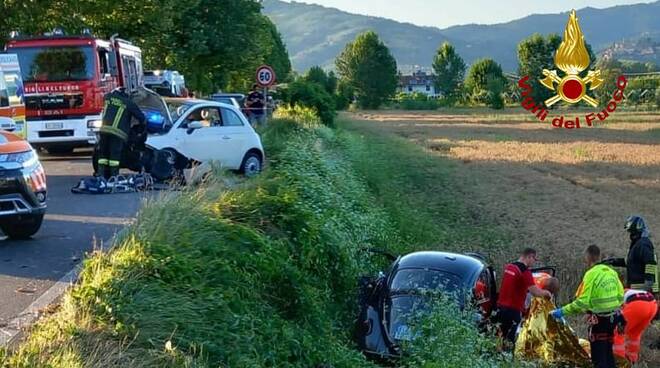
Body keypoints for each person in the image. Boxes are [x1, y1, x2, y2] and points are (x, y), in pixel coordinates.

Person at [550, 245, 624, 368]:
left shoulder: (591, 274)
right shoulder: (612, 272)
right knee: (607, 353)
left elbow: (582, 302)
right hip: (613, 318)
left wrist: (562, 311)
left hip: (599, 320)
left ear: (588, 258)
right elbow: (621, 296)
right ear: (599, 256)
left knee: (599, 357)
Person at [495, 248, 553, 345]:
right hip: (513, 311)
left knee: (499, 336)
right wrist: (546, 293)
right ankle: (506, 357)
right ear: (529, 257)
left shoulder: (509, 267)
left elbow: (512, 285)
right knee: (509, 340)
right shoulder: (525, 272)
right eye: (534, 259)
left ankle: (493, 357)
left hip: (500, 308)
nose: (534, 262)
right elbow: (535, 292)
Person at [97, 87, 146, 179]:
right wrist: (141, 128)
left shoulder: (108, 98)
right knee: (114, 156)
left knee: (102, 154)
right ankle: (114, 176)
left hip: (104, 130)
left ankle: (100, 175)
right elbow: (142, 118)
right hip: (117, 133)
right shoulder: (129, 103)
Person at [603, 215, 658, 294]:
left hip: (643, 289)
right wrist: (613, 261)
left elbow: (650, 263)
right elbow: (630, 262)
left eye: (631, 232)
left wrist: (647, 286)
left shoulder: (643, 244)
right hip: (637, 289)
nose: (630, 235)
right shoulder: (637, 244)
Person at [612, 288, 658, 364]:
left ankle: (620, 363)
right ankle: (632, 360)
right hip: (653, 305)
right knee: (634, 334)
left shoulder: (613, 295)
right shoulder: (626, 291)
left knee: (618, 333)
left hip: (638, 305)